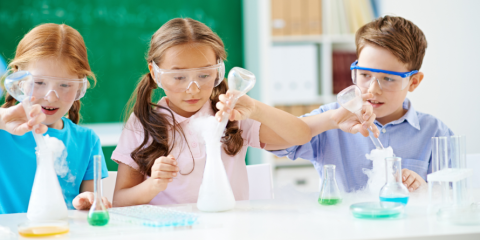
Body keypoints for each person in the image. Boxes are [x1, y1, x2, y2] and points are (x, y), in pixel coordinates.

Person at [270, 16, 453, 193]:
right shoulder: (331, 118)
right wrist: (331, 120)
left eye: (388, 78)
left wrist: (426, 192)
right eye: (365, 75)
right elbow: (272, 141)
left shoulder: (436, 133)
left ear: (413, 82)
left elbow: (454, 199)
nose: (373, 90)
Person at [0, 23, 111, 214]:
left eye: (65, 85)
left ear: (80, 87)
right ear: (18, 80)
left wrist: (89, 202)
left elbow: (89, 205)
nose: (51, 97)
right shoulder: (4, 132)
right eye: (40, 82)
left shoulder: (87, 141)